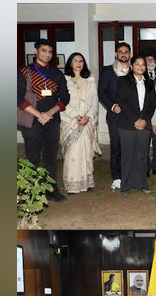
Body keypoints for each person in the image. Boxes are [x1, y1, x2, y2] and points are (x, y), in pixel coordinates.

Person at [17, 38, 70, 202]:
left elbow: (65, 98)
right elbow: (18, 98)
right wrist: (39, 115)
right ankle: (30, 193)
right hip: (32, 122)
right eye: (43, 51)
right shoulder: (25, 71)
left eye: (50, 52)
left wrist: (49, 113)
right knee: (32, 158)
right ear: (36, 51)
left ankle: (52, 190)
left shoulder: (56, 73)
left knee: (51, 157)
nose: (47, 54)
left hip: (52, 121)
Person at [56, 52, 101, 194]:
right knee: (72, 155)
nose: (78, 63)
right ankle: (72, 185)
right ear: (70, 63)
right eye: (75, 61)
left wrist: (88, 117)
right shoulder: (64, 80)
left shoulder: (90, 80)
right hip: (71, 123)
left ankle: (86, 183)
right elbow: (61, 101)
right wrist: (76, 116)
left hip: (86, 122)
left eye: (81, 61)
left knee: (86, 153)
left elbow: (94, 101)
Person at [113, 55, 156, 195]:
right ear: (131, 66)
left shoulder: (149, 83)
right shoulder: (123, 81)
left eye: (143, 64)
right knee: (127, 155)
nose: (140, 66)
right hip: (127, 124)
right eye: (137, 64)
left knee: (142, 155)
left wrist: (144, 120)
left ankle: (142, 183)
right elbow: (121, 101)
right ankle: (125, 185)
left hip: (144, 124)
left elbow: (152, 105)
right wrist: (135, 120)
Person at [97, 42, 133, 189]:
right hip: (115, 117)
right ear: (116, 54)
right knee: (117, 146)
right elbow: (102, 92)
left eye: (126, 51)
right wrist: (112, 106)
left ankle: (129, 175)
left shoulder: (135, 70)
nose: (123, 54)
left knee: (130, 147)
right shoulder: (107, 71)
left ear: (130, 54)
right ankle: (117, 177)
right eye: (120, 51)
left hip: (131, 117)